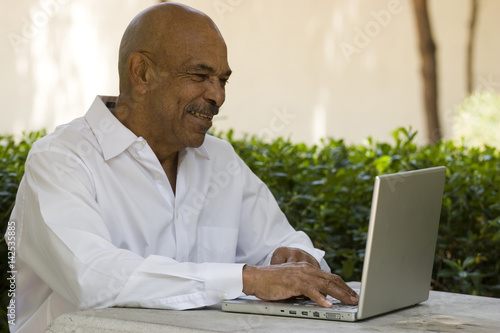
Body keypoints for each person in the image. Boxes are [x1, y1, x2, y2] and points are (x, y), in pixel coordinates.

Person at [7, 3, 358, 332]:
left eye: (223, 80)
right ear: (141, 73)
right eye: (200, 75)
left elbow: (282, 242)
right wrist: (247, 278)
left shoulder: (219, 160)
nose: (217, 96)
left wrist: (294, 260)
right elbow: (92, 277)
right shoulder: (61, 159)